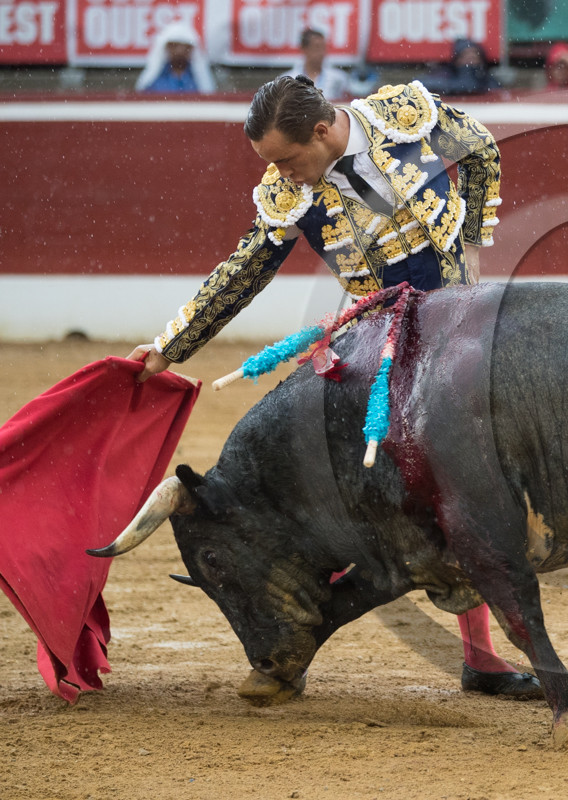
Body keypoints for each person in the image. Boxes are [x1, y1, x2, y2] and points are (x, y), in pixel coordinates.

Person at [127, 75, 539, 700]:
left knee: (459, 482)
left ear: (322, 130)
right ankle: (297, 621)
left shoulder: (404, 119)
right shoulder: (286, 192)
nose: (283, 175)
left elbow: (481, 148)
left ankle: (478, 657)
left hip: (456, 334)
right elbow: (243, 272)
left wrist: (475, 242)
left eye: (288, 160)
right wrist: (168, 348)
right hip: (378, 336)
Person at [136, 21, 216, 94]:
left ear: (191, 49)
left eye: (184, 47)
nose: (180, 51)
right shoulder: (153, 80)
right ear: (166, 48)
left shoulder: (199, 81)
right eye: (174, 45)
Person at [283, 28, 350, 102]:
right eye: (317, 47)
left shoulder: (339, 79)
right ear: (304, 49)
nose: (321, 52)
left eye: (323, 47)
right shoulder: (288, 80)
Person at [418, 38, 501, 96]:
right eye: (466, 57)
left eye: (474, 57)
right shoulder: (443, 75)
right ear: (456, 60)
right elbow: (419, 84)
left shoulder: (488, 80)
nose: (470, 61)